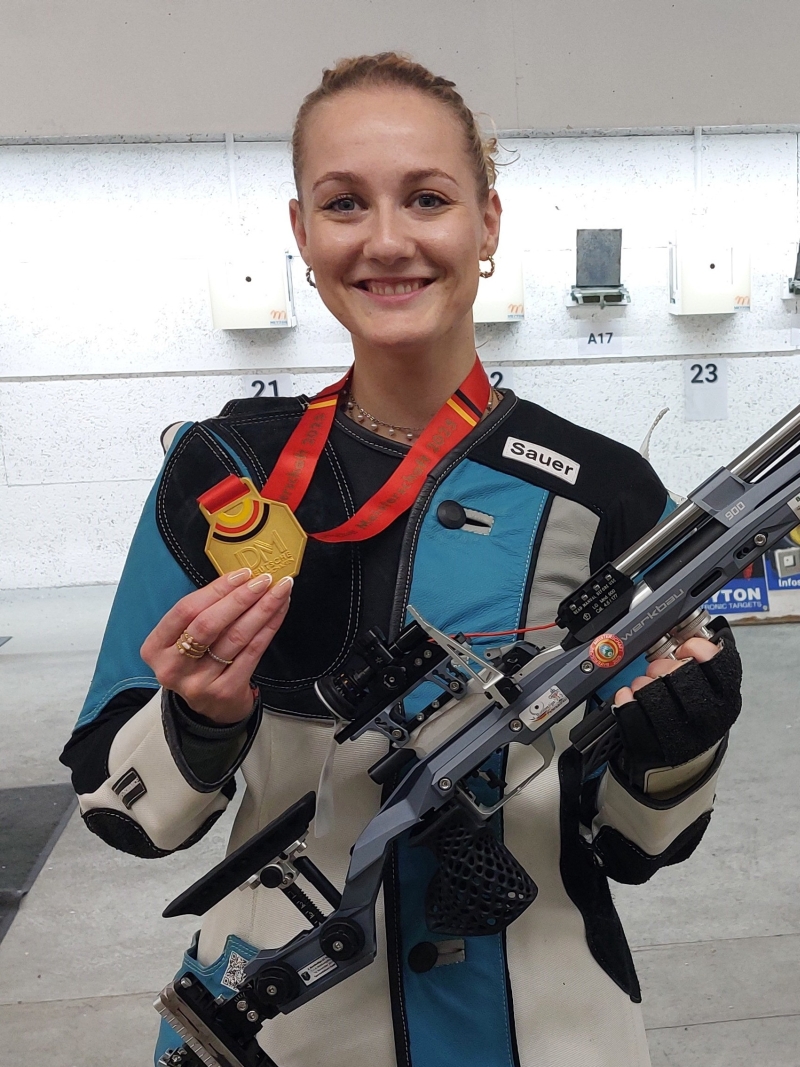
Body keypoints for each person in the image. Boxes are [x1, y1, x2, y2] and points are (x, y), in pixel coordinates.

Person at [60, 53, 742, 1067]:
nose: (386, 240)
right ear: (301, 232)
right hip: (279, 1014)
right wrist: (198, 720)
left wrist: (678, 741)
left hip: (547, 1021)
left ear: (487, 224)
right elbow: (121, 807)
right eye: (344, 202)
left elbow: (640, 841)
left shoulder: (608, 492)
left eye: (427, 197)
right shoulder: (223, 475)